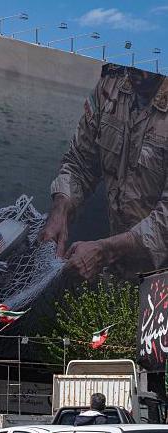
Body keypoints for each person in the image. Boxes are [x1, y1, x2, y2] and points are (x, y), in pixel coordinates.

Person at [39, 64, 168, 280]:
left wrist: (105, 250)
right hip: (120, 271)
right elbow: (80, 162)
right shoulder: (112, 84)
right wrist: (61, 207)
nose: (134, 67)